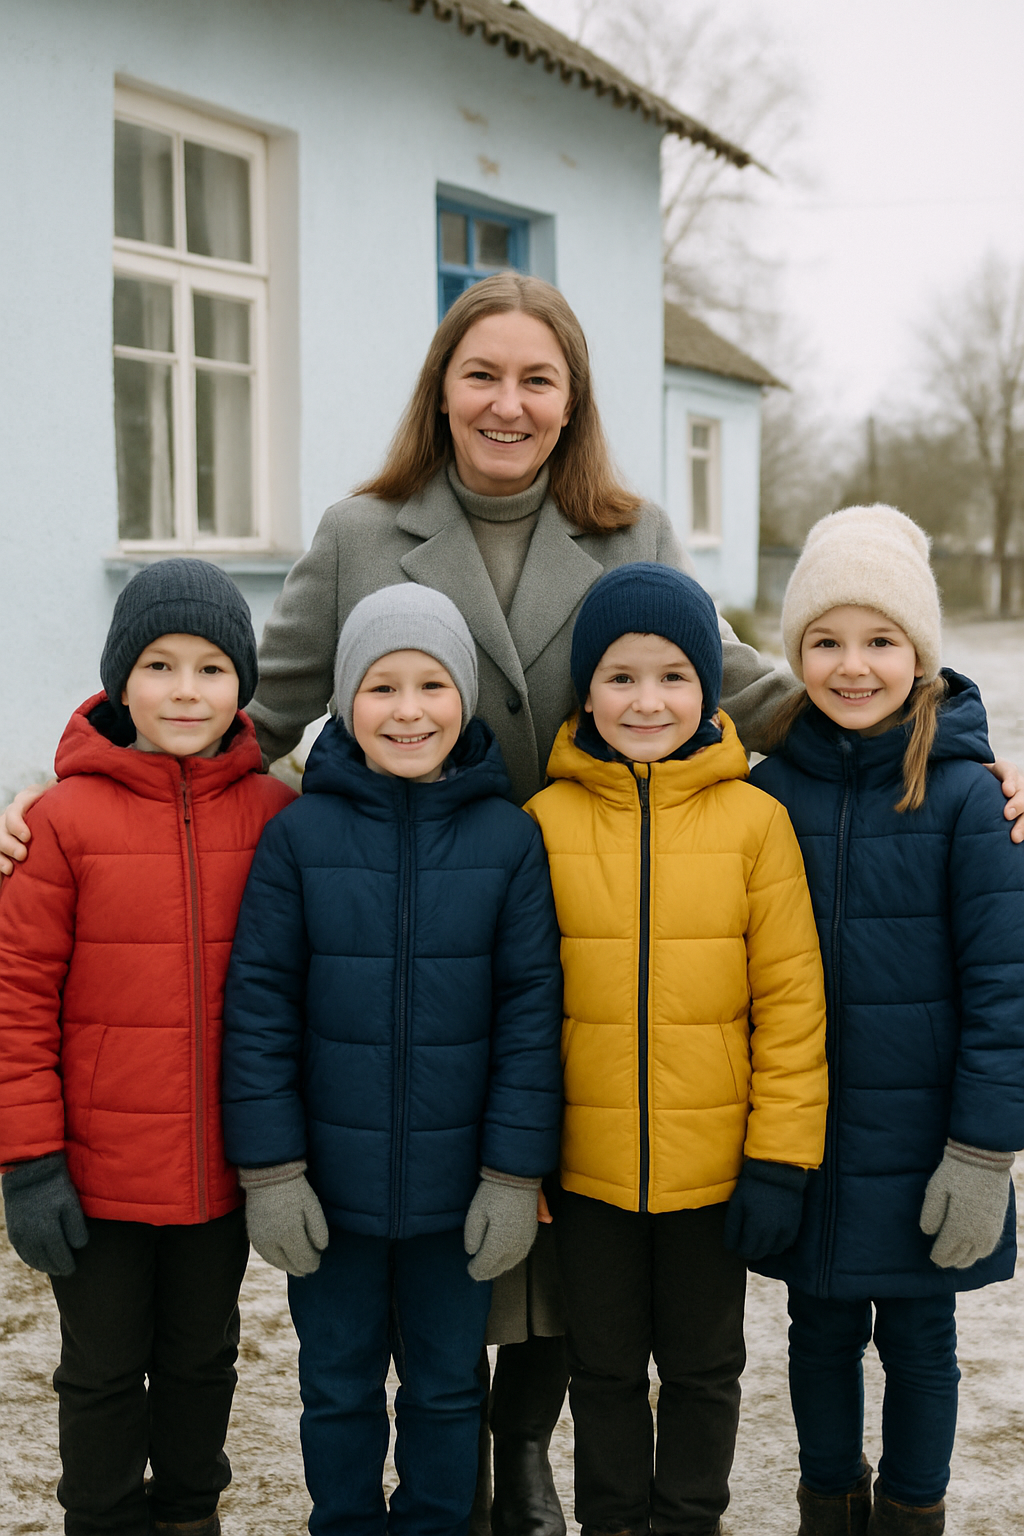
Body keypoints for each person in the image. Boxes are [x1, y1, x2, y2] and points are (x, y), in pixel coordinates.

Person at [4, 274, 1024, 1532]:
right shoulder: (361, 531)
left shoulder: (633, 531)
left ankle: (519, 1451)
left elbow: (759, 687)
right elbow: (241, 711)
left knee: (552, 1250)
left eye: (538, 379)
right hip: (424, 934)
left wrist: (949, 737)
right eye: (482, 373)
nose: (508, 402)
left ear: (572, 400)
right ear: (442, 388)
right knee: (465, 1237)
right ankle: (480, 1457)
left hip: (595, 935)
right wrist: (66, 786)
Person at [219, 584, 564, 1536]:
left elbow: (534, 1018)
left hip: (462, 1197)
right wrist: (272, 1171)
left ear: (464, 699)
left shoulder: (509, 840)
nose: (408, 710)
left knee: (450, 1392)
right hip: (326, 1193)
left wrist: (510, 1172)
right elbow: (258, 1013)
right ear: (342, 702)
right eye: (380, 687)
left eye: (431, 686)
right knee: (336, 1389)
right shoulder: (297, 836)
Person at [524, 562, 829, 1536]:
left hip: (717, 1177)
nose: (646, 699)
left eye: (671, 676)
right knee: (602, 1369)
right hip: (587, 1178)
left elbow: (790, 1006)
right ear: (585, 690)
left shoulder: (755, 823)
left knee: (705, 1371)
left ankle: (688, 1518)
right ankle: (613, 1522)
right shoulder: (543, 823)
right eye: (619, 676)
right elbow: (519, 1009)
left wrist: (779, 1160)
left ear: (707, 687)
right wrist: (521, 1154)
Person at [0, 560, 296, 1536]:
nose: (183, 690)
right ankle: (103, 1517)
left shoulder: (275, 821)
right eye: (160, 665)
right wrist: (31, 1161)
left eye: (211, 667)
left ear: (242, 686)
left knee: (202, 1359)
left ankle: (187, 1515)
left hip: (219, 1171)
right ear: (120, 679)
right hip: (94, 1179)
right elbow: (17, 1003)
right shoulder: (55, 825)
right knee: (98, 1371)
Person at [748, 506, 1024, 1536]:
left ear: (920, 654)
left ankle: (912, 1512)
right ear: (795, 654)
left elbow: (1005, 988)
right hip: (806, 1143)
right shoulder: (766, 794)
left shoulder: (966, 802)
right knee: (815, 1336)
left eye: (879, 641)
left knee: (917, 1343)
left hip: (926, 1149)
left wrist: (983, 1149)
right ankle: (829, 1507)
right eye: (825, 641)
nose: (851, 666)